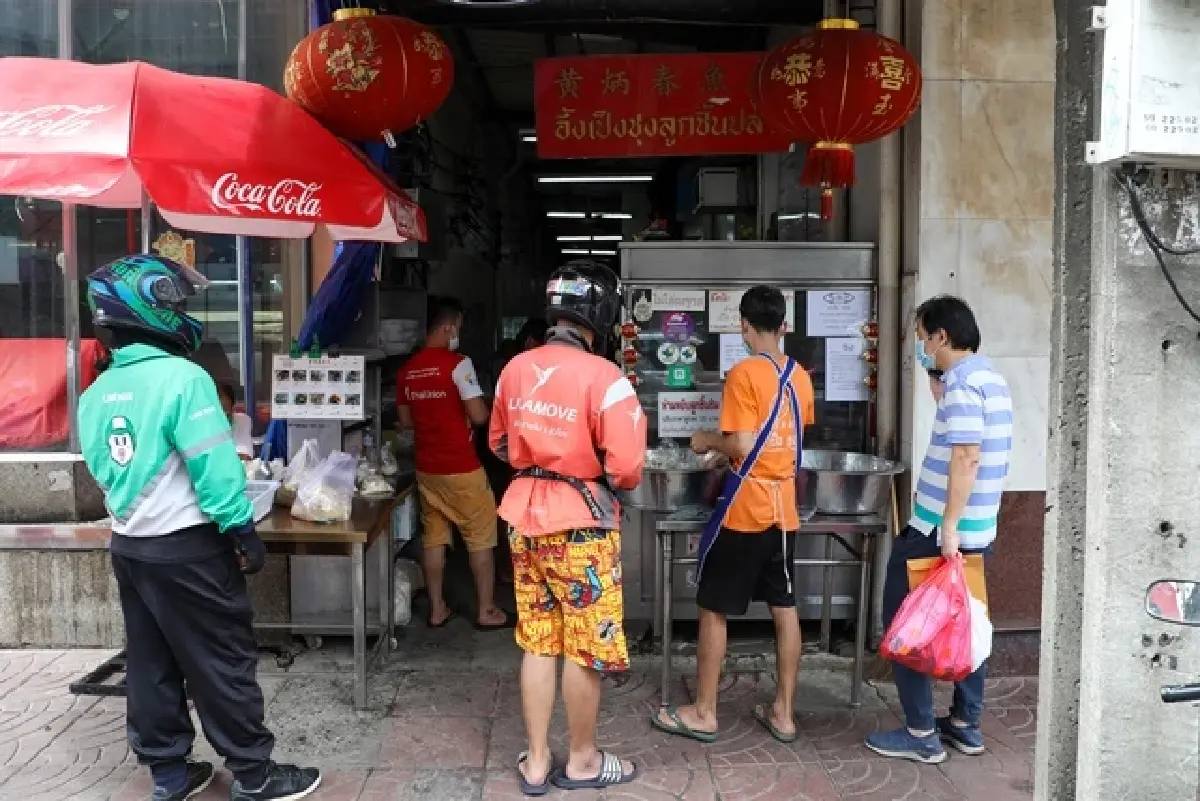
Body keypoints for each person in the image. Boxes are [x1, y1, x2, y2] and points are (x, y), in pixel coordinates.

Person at [77, 254, 320, 801]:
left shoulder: (95, 391)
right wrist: (241, 531)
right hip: (188, 550)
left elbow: (101, 470)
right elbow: (213, 468)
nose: (181, 309)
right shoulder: (185, 379)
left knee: (150, 660)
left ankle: (169, 774)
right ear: (148, 305)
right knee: (222, 661)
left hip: (130, 548)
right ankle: (255, 775)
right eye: (173, 300)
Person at [488, 259, 646, 794]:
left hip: (522, 518)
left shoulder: (513, 369)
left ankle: (535, 762)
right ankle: (580, 760)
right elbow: (627, 467)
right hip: (581, 527)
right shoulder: (607, 378)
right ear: (597, 317)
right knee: (584, 647)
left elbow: (500, 444)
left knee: (536, 641)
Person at [651, 285, 815, 746]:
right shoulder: (800, 376)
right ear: (784, 325)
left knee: (714, 609)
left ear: (743, 325)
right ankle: (783, 713)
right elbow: (786, 437)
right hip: (784, 509)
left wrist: (706, 440)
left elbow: (742, 444)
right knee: (784, 607)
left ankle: (704, 712)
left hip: (746, 510)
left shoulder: (743, 373)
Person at [865, 294, 1012, 764]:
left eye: (923, 338)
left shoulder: (964, 384)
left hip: (937, 532)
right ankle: (966, 725)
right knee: (966, 624)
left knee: (909, 623)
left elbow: (965, 455)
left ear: (941, 336)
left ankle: (921, 732)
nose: (922, 348)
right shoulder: (990, 378)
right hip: (976, 531)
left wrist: (947, 525)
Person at [398, 297, 511, 630]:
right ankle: (487, 610)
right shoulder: (459, 364)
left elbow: (405, 421)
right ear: (448, 326)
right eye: (458, 328)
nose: (457, 334)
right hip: (462, 468)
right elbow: (478, 416)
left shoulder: (408, 369)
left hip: (427, 469)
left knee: (434, 538)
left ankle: (436, 609)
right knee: (480, 537)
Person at [217, 382, 255, 460]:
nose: (224, 415)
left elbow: (245, 456)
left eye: (226, 410)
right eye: (219, 411)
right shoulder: (207, 426)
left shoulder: (243, 420)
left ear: (233, 406)